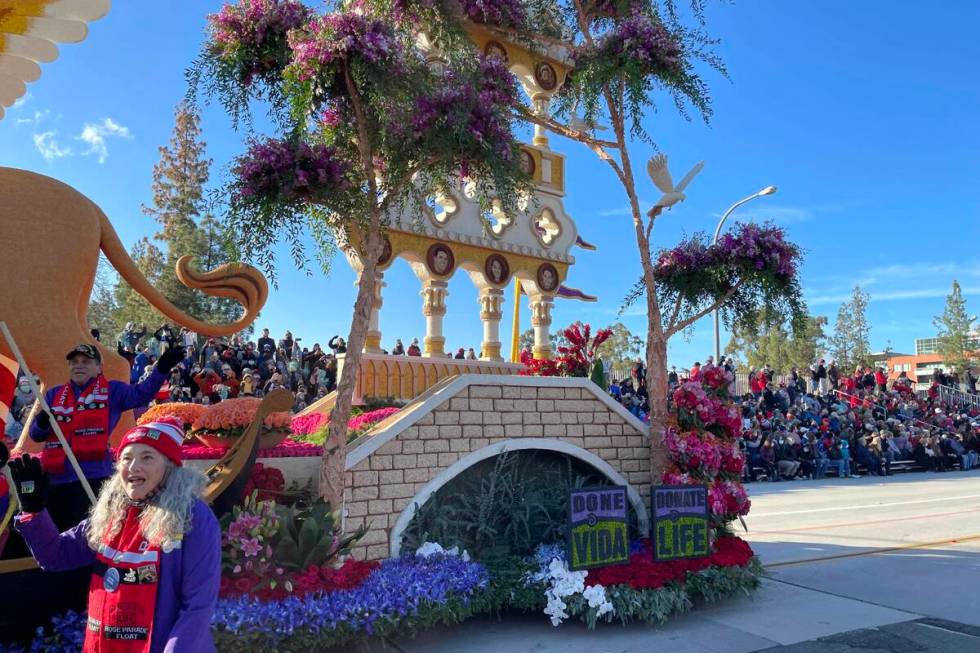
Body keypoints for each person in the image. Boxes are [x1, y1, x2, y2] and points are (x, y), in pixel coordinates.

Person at [11, 418, 220, 652]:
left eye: (147, 458)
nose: (133, 467)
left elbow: (198, 605)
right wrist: (33, 510)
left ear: (170, 466)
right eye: (127, 458)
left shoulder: (193, 515)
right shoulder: (112, 513)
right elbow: (55, 556)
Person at [27, 344, 182, 532]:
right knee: (60, 542)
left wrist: (162, 368)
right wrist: (42, 423)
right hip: (56, 481)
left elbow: (142, 394)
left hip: (94, 478)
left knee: (95, 538)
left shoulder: (112, 391)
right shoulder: (54, 394)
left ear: (99, 368)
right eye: (74, 362)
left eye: (86, 361)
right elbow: (36, 435)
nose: (79, 365)